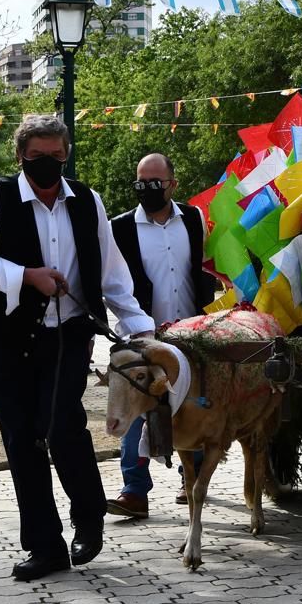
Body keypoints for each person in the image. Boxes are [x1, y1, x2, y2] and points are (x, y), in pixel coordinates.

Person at [0, 114, 155, 581]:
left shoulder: (87, 201)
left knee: (62, 427)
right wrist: (25, 276)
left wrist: (141, 330)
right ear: (21, 155)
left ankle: (89, 517)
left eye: (56, 156)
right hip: (4, 338)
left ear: (67, 154)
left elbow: (111, 276)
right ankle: (45, 547)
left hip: (66, 337)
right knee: (21, 441)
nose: (48, 164)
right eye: (38, 156)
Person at [107, 153, 218, 519]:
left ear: (172, 183)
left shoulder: (194, 219)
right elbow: (111, 282)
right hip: (143, 333)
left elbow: (206, 266)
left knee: (195, 403)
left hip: (191, 330)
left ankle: (192, 480)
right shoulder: (118, 228)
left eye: (155, 182)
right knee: (139, 407)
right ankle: (134, 491)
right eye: (141, 183)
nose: (148, 189)